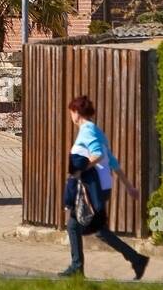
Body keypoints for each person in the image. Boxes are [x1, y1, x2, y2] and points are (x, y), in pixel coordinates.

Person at [60, 94, 149, 280]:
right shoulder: (97, 131)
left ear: (76, 113)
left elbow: (99, 155)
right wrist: (129, 186)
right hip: (102, 186)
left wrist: (79, 170)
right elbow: (113, 161)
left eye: (71, 113)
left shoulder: (87, 131)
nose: (71, 117)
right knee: (76, 225)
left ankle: (134, 259)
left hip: (94, 187)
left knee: (88, 228)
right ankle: (135, 259)